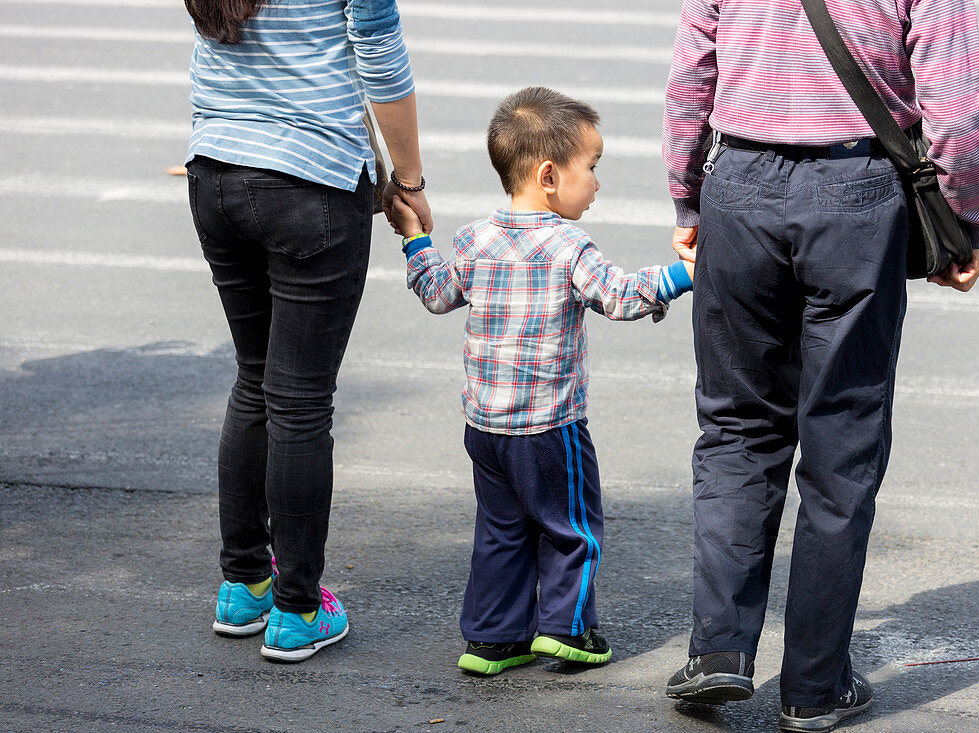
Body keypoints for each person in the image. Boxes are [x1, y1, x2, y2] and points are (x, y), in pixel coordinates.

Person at [660, 0, 979, 729]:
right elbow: (956, 109)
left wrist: (688, 197)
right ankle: (814, 686)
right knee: (841, 443)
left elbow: (692, 75)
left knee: (736, 428)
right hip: (857, 192)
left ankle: (719, 650)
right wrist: (969, 220)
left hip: (740, 186)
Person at [388, 86, 695, 676]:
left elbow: (436, 293)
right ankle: (568, 630)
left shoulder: (474, 240)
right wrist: (682, 275)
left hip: (485, 427)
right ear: (549, 174)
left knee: (501, 531)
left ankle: (493, 639)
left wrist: (415, 237)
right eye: (593, 168)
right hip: (550, 427)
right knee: (571, 528)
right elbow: (620, 297)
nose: (598, 183)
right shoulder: (568, 245)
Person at [183, 0, 432, 662]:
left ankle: (245, 583)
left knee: (255, 377)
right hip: (310, 184)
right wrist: (408, 177)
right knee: (298, 401)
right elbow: (379, 54)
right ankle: (297, 608)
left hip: (214, 169)